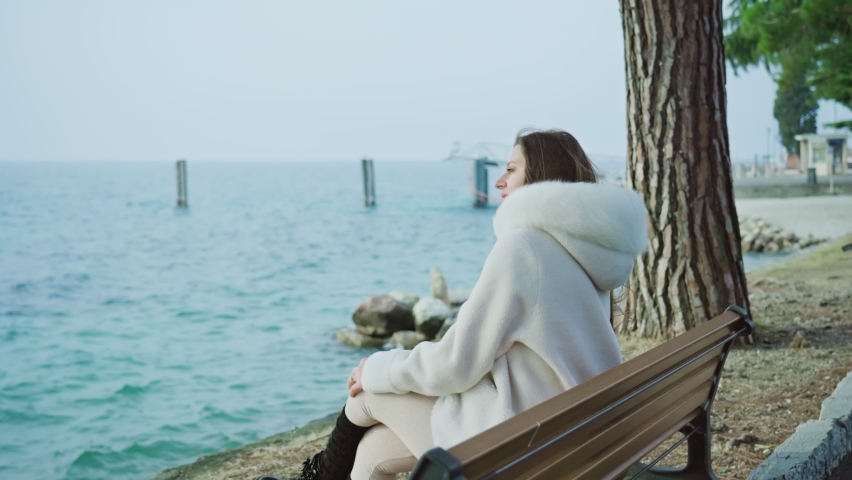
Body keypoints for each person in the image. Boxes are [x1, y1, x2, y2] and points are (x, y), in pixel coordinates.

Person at [261, 128, 648, 480]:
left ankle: (316, 477)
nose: (498, 181)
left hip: (524, 453)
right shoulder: (584, 253)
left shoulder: (523, 248)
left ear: (540, 179)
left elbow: (456, 365)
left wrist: (380, 365)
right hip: (571, 440)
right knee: (372, 451)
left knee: (369, 393)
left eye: (510, 170)